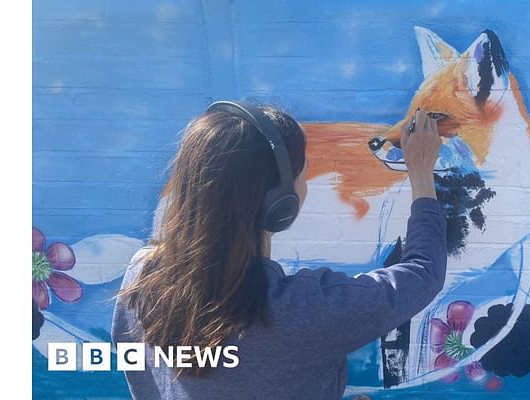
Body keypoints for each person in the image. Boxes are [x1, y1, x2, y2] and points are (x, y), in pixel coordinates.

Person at [111, 101, 447, 399]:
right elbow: (422, 273)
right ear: (279, 204)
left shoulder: (142, 278)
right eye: (304, 172)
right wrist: (420, 173)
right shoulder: (300, 309)